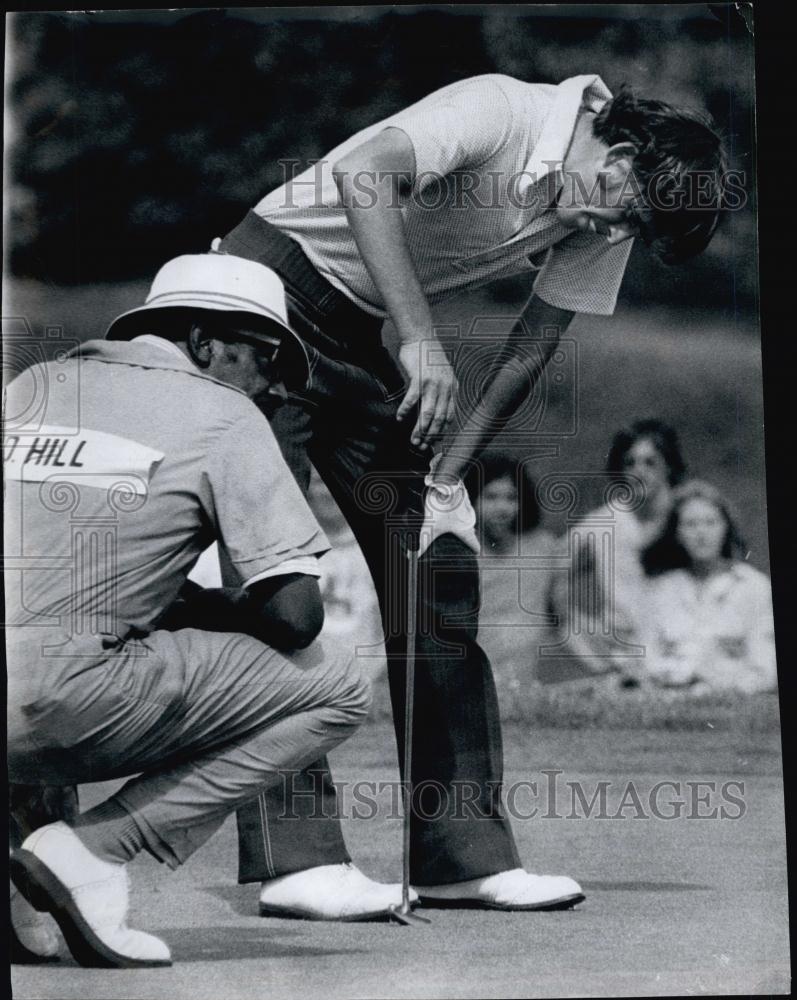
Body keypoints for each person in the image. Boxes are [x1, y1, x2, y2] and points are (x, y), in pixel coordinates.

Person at [214, 73, 726, 915]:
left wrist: (448, 472)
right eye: (620, 208)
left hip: (350, 331)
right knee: (278, 584)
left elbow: (531, 346)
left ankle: (457, 853)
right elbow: (366, 174)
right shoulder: (500, 109)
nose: (609, 230)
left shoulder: (606, 201)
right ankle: (294, 858)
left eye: (629, 226)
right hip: (258, 303)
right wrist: (419, 338)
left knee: (435, 571)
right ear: (622, 151)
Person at [4, 254, 374, 968]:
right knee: (336, 683)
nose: (272, 387)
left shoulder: (33, 383)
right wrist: (202, 606)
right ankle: (93, 852)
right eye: (266, 359)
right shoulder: (224, 412)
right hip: (50, 700)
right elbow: (296, 616)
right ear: (204, 342)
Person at [548, 419, 686, 681]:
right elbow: (555, 582)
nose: (639, 471)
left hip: (685, 659)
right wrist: (587, 647)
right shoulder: (602, 525)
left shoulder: (690, 516)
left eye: (650, 462)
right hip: (625, 663)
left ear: (669, 465)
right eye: (630, 462)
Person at [642, 480, 777, 694]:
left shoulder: (753, 587)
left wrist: (719, 683)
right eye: (691, 524)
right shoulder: (661, 590)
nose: (701, 533)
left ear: (726, 527)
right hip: (671, 698)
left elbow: (766, 670)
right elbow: (647, 660)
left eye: (710, 522)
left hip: (730, 701)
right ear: (676, 533)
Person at [465, 454, 558, 705]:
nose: (502, 508)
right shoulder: (462, 556)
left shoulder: (543, 547)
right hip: (477, 681)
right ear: (471, 501)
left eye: (511, 498)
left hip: (533, 678)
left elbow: (565, 616)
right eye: (491, 497)